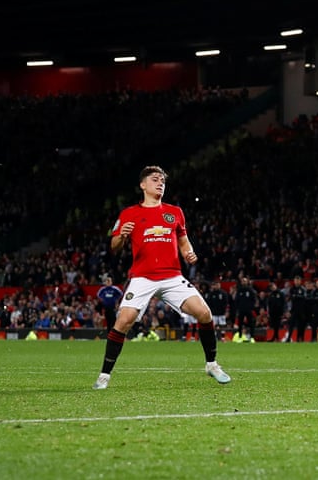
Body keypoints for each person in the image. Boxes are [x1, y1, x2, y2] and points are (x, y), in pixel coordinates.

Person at [93, 166, 230, 389]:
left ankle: (211, 364)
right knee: (123, 321)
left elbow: (184, 241)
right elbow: (114, 246)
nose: (160, 184)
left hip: (172, 276)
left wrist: (189, 253)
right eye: (155, 180)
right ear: (143, 185)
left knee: (204, 313)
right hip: (142, 277)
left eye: (163, 181)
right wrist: (122, 236)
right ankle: (104, 375)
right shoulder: (129, 213)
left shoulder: (175, 212)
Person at [232, 276, 258, 343]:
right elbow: (236, 300)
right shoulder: (239, 290)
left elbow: (254, 300)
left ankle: (252, 338)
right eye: (243, 281)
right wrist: (238, 308)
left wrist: (251, 307)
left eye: (245, 281)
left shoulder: (250, 290)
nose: (244, 282)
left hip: (249, 310)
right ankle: (240, 337)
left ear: (247, 282)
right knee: (240, 324)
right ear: (241, 282)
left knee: (251, 324)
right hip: (241, 310)